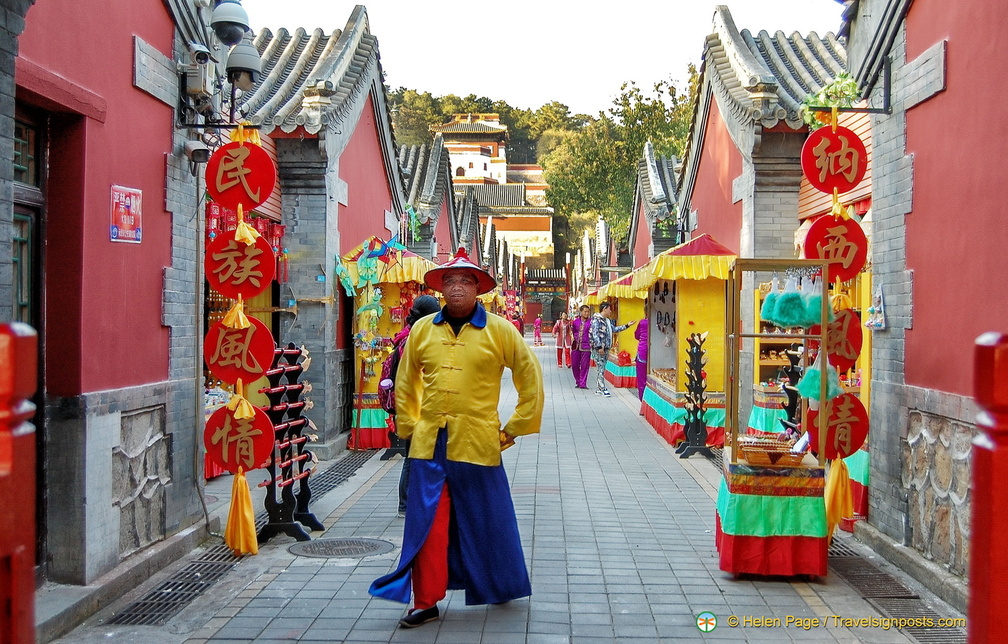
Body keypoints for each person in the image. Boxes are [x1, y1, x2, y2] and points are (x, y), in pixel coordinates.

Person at [369, 248, 544, 629]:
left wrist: (513, 427)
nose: (458, 287)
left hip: (479, 440)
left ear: (478, 288)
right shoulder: (422, 330)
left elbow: (529, 376)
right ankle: (426, 600)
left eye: (466, 281)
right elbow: (406, 380)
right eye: (450, 280)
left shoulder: (500, 330)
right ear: (442, 288)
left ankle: (501, 584)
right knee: (427, 522)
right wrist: (410, 425)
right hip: (430, 442)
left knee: (490, 519)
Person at [384, 294, 442, 516]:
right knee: (413, 455)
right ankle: (405, 504)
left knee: (416, 454)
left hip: (410, 403)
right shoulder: (414, 339)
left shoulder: (407, 336)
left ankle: (411, 501)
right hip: (414, 404)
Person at [589, 301, 633, 397]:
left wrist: (627, 325)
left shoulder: (607, 321)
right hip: (599, 349)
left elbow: (614, 329)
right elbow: (595, 334)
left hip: (606, 348)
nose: (610, 311)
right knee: (600, 367)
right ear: (604, 309)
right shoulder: (596, 320)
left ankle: (599, 388)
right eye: (609, 309)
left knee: (602, 367)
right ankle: (602, 388)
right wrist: (599, 346)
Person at [570, 305, 592, 388]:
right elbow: (573, 331)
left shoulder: (591, 322)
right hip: (576, 346)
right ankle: (578, 381)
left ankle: (583, 383)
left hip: (586, 346)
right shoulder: (575, 322)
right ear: (581, 312)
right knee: (574, 365)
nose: (587, 313)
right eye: (585, 311)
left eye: (588, 312)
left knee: (585, 366)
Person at [634, 318, 649, 402]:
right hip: (654, 352)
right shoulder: (655, 321)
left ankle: (643, 401)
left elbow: (636, 335)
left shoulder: (642, 322)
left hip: (642, 351)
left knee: (641, 379)